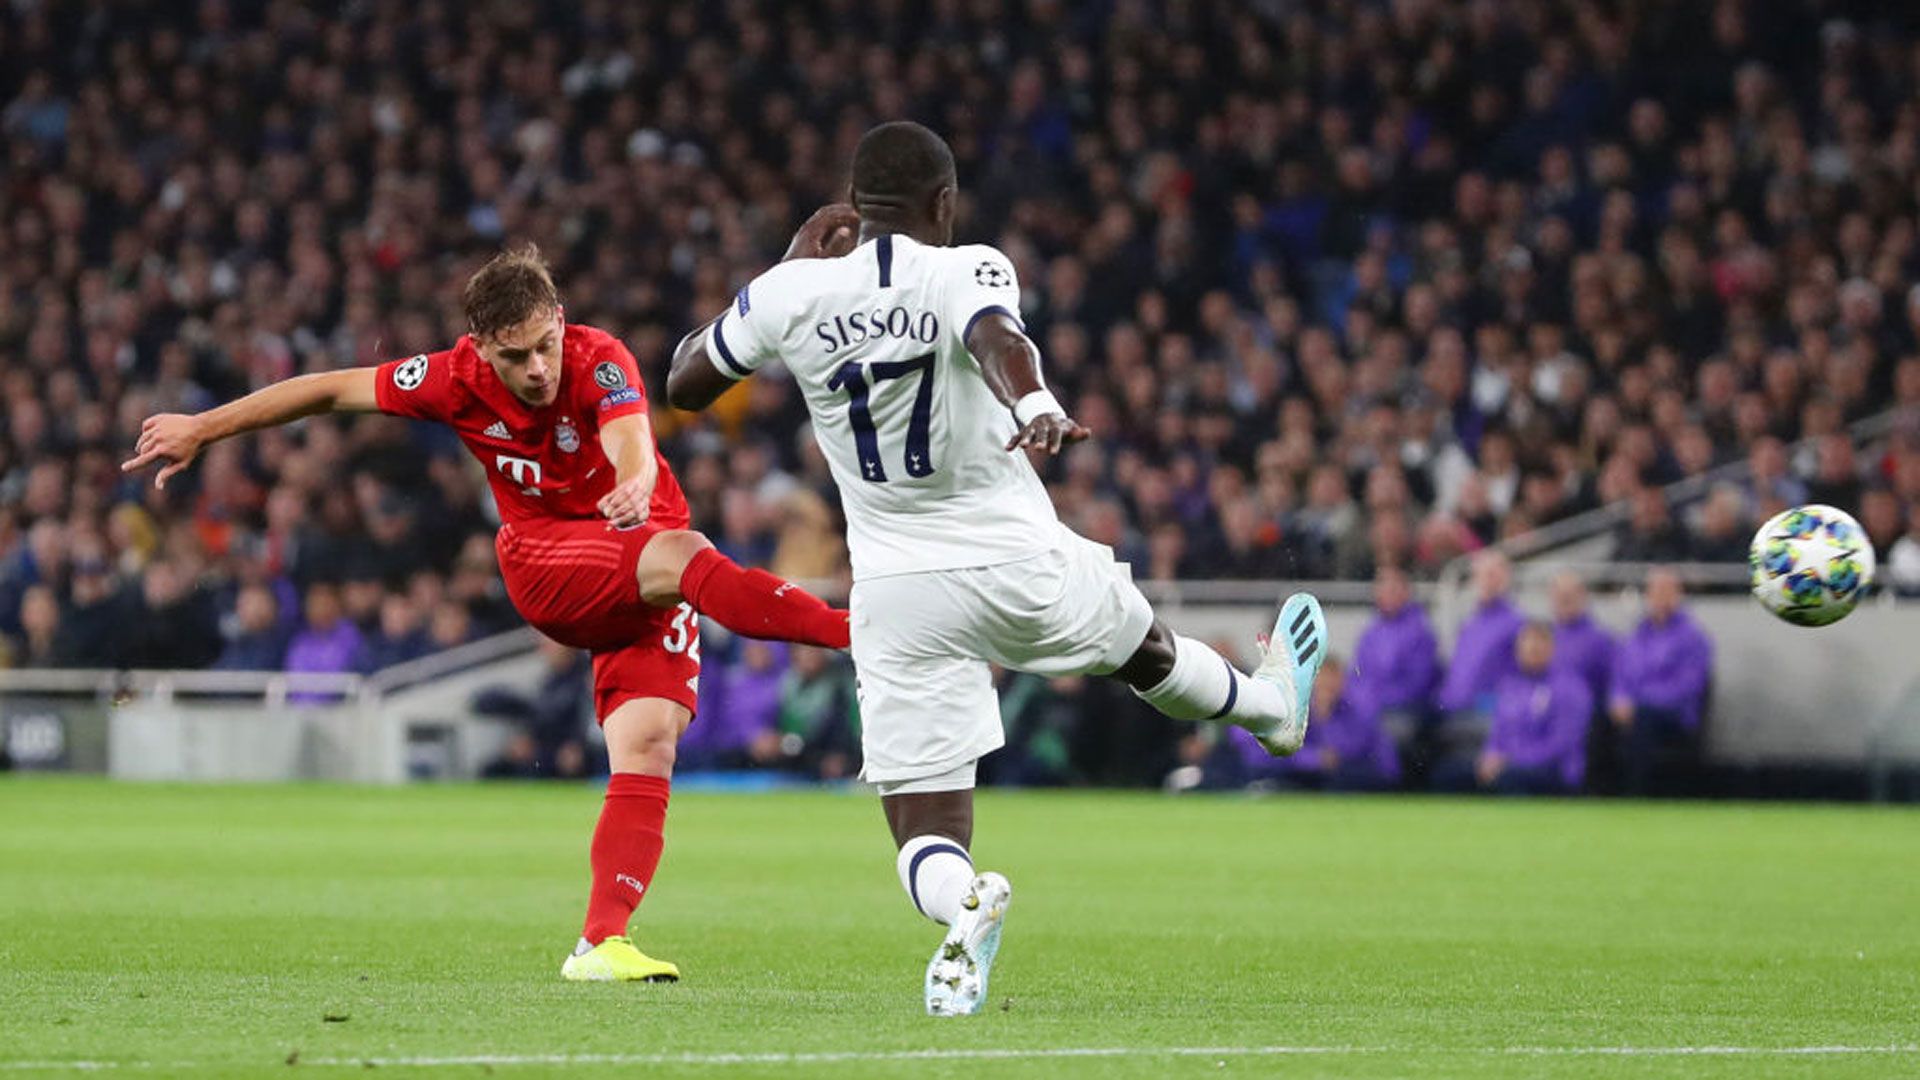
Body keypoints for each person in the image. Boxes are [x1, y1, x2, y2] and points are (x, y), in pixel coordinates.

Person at [665, 121, 1329, 1016]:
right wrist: (1040, 402)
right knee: (1144, 650)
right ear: (943, 204)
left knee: (921, 831)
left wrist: (786, 272)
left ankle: (964, 906)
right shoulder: (966, 265)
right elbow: (995, 338)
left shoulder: (791, 293)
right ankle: (1271, 710)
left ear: (855, 210)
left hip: (899, 592)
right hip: (1019, 563)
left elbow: (684, 381)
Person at [122, 245, 852, 984]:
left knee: (649, 745)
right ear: (480, 349)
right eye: (515, 357)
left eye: (545, 346)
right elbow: (330, 390)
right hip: (550, 564)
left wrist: (634, 479)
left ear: (561, 322)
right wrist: (205, 427)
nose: (537, 369)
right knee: (682, 551)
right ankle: (859, 633)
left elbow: (629, 433)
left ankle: (600, 944)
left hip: (639, 565)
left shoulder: (602, 360)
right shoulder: (452, 379)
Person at [1435, 622, 1591, 796]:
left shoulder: (1569, 688)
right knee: (1448, 775)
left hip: (1553, 769)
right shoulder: (1510, 685)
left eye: (1539, 644)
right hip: (1508, 765)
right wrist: (1491, 756)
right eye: (1527, 645)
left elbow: (1561, 744)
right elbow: (1498, 733)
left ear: (1552, 648)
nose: (1532, 649)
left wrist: (1511, 760)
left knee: (1509, 779)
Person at [1609, 567, 1714, 796]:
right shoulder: (1637, 634)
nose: (1660, 597)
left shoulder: (1693, 638)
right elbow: (1621, 674)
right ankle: (1593, 791)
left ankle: (1637, 793)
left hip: (1675, 716)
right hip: (1635, 711)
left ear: (1679, 594)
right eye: (1655, 591)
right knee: (1598, 715)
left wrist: (1637, 705)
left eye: (1666, 591)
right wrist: (1618, 699)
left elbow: (1688, 686)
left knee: (1643, 719)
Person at [1433, 550, 1525, 753]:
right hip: (1456, 709)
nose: (1487, 581)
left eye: (1493, 574)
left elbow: (1520, 679)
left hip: (1488, 712)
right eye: (1482, 575)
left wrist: (1491, 704)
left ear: (1506, 578)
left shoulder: (1517, 623)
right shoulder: (1470, 624)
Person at [1344, 567, 1439, 750]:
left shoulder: (1420, 632)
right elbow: (1357, 675)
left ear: (1406, 592)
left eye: (1393, 589)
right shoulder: (1371, 633)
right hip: (1372, 708)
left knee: (1381, 736)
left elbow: (1417, 684)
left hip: (1403, 710)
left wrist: (1375, 702)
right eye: (1382, 589)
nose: (1386, 595)